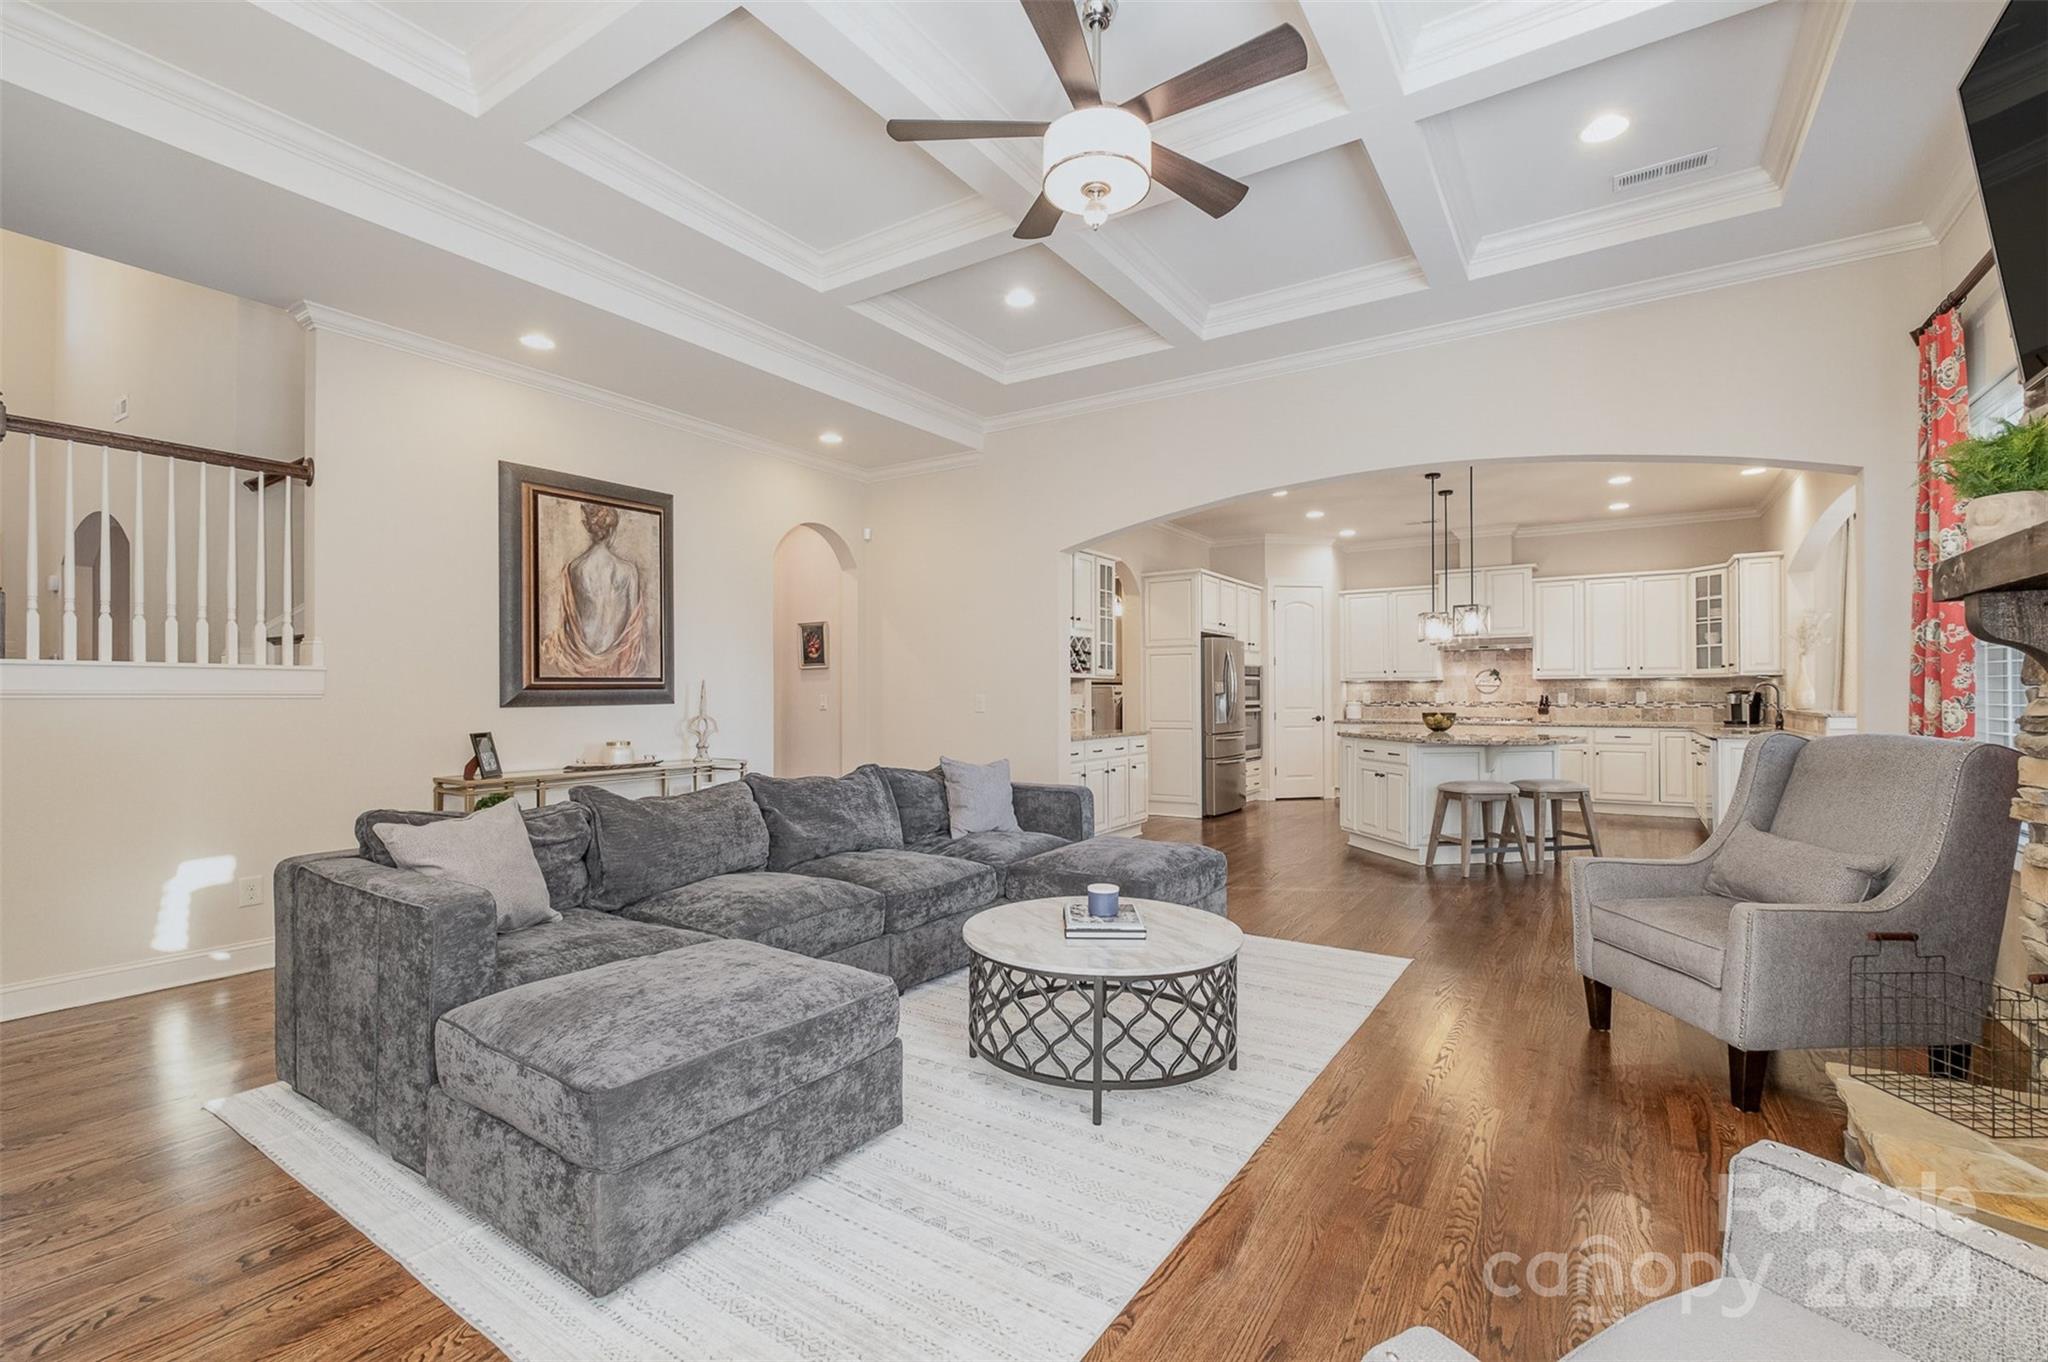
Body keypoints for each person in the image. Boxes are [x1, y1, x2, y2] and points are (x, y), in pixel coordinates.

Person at [540, 501, 648, 678]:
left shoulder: (574, 568)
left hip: (580, 663)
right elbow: (633, 629)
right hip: (618, 664)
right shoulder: (629, 571)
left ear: (588, 528)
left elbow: (568, 623)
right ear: (612, 530)